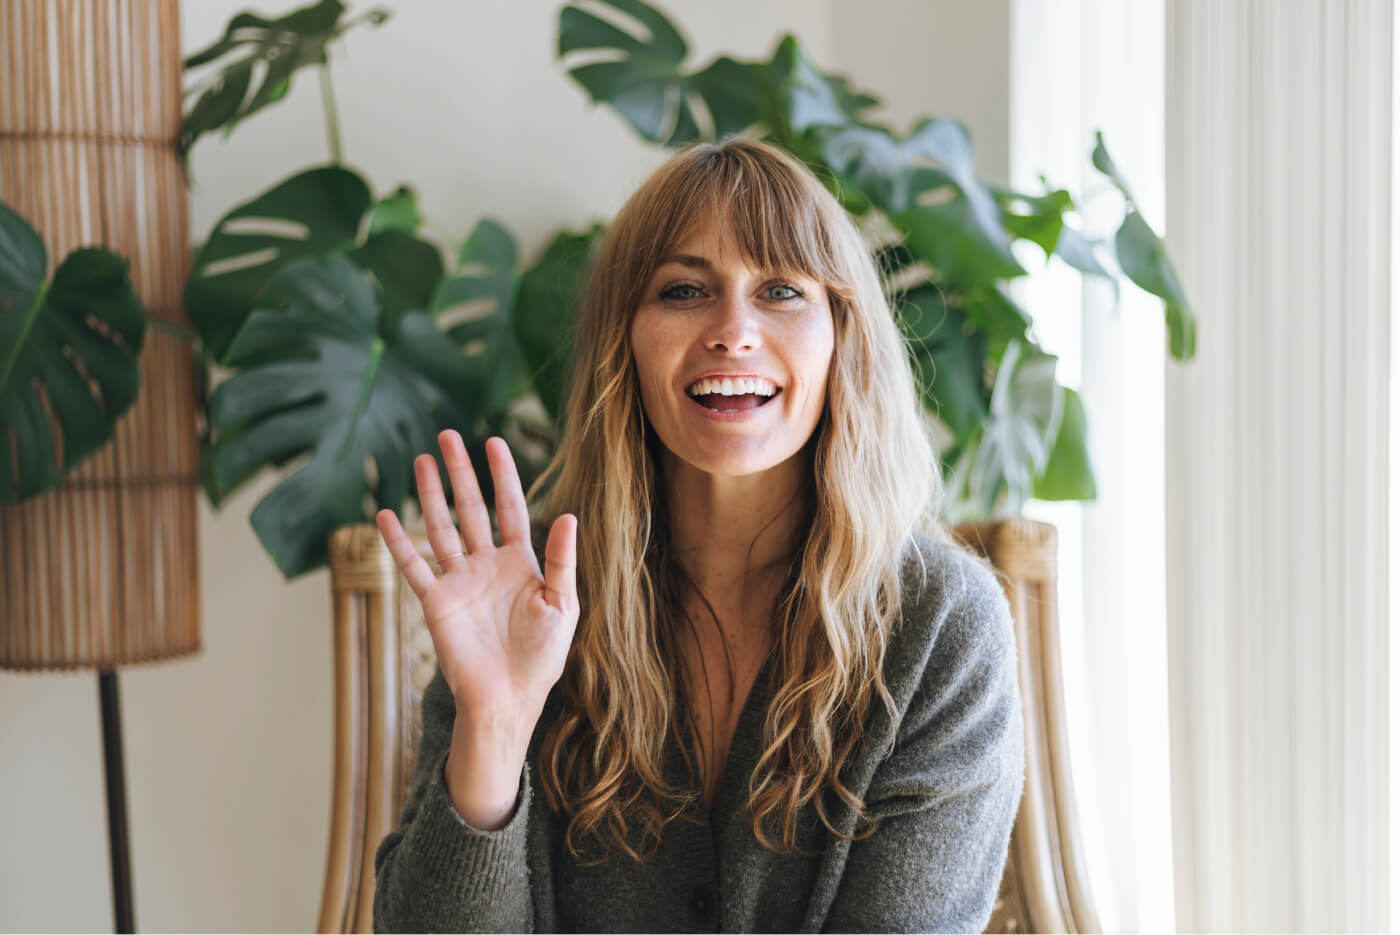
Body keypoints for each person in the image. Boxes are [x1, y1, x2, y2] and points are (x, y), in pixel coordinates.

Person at [370, 137, 1025, 933]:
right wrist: (495, 729)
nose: (732, 330)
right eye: (684, 289)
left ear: (841, 338)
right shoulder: (529, 597)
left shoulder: (941, 626)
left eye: (781, 289)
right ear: (626, 341)